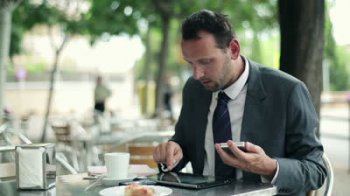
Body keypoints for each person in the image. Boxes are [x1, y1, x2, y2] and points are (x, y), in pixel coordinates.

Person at [152, 10, 327, 195]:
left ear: (234, 49)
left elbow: (316, 170)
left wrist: (269, 166)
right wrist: (172, 152)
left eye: (206, 62)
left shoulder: (288, 91)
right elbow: (183, 145)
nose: (197, 74)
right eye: (191, 63)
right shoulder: (194, 89)